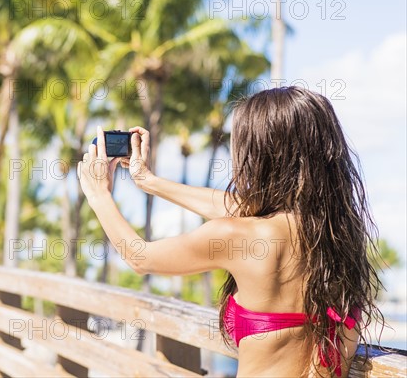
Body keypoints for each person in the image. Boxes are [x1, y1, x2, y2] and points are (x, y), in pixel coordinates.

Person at [77, 86, 384, 378]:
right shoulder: (334, 235)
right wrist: (147, 180)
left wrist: (99, 195)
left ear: (262, 155)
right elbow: (237, 207)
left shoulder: (239, 235)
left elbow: (140, 258)